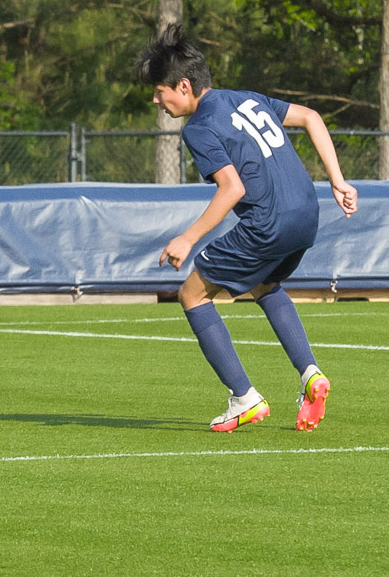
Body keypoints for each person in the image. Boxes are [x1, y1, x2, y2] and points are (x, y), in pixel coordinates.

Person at [135, 25, 357, 433]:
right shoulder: (248, 98)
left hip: (268, 222)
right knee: (264, 284)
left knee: (192, 293)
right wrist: (337, 179)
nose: (156, 100)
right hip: (307, 213)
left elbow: (232, 188)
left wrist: (187, 237)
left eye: (159, 91)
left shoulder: (199, 128)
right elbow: (311, 117)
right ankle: (310, 375)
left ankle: (244, 398)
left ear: (183, 86)